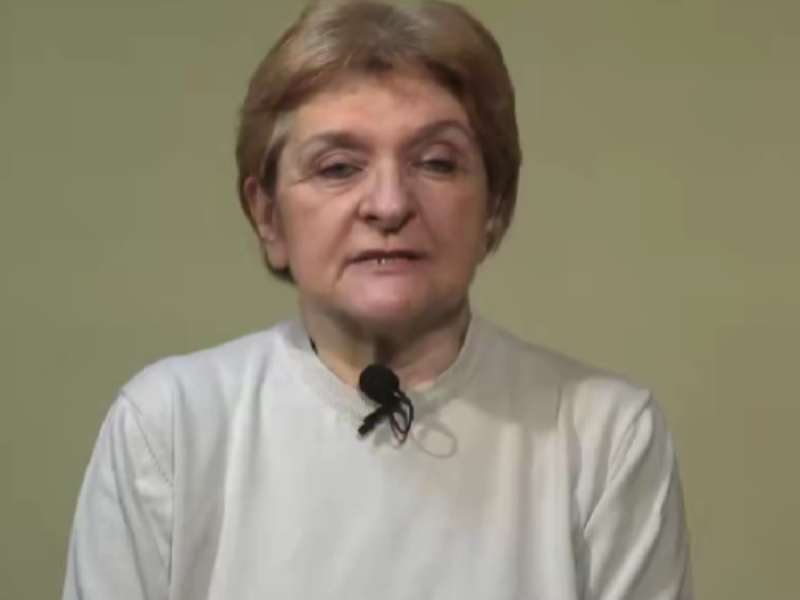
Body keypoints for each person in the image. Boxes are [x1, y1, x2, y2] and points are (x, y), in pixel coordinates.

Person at [63, 1, 693, 599]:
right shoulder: (168, 430)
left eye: (436, 162)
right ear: (268, 216)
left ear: (495, 206)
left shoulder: (605, 437)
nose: (389, 205)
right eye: (339, 167)